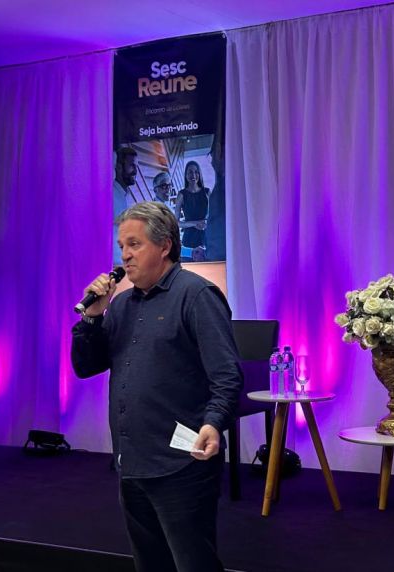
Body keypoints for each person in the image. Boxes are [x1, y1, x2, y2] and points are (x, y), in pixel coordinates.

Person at [71, 201, 243, 572]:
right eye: (122, 246)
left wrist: (214, 423)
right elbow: (85, 367)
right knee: (150, 564)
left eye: (134, 244)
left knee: (193, 563)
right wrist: (92, 318)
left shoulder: (197, 295)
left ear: (164, 246)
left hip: (182, 463)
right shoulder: (120, 305)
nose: (125, 256)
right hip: (132, 461)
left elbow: (227, 374)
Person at [174, 160, 208, 261]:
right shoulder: (181, 194)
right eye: (190, 172)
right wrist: (195, 223)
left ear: (199, 174)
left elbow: (214, 218)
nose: (193, 175)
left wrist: (206, 223)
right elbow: (176, 223)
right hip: (189, 240)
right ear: (186, 175)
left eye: (196, 172)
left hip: (206, 238)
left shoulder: (207, 192)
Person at [203, 137, 225, 262]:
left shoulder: (227, 190)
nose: (211, 162)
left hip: (219, 258)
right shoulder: (220, 185)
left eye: (213, 156)